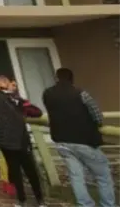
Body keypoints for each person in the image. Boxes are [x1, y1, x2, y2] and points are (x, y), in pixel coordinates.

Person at [43, 68, 115, 207]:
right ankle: (108, 204)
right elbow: (97, 115)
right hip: (83, 141)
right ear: (71, 78)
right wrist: (97, 124)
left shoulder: (47, 94)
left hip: (61, 141)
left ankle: (85, 204)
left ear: (56, 78)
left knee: (76, 176)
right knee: (103, 175)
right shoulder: (81, 93)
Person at [0, 75, 47, 207]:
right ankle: (40, 199)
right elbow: (36, 112)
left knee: (15, 170)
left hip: (5, 141)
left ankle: (21, 200)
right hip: (21, 139)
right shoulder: (16, 99)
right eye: (12, 84)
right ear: (6, 84)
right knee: (30, 169)